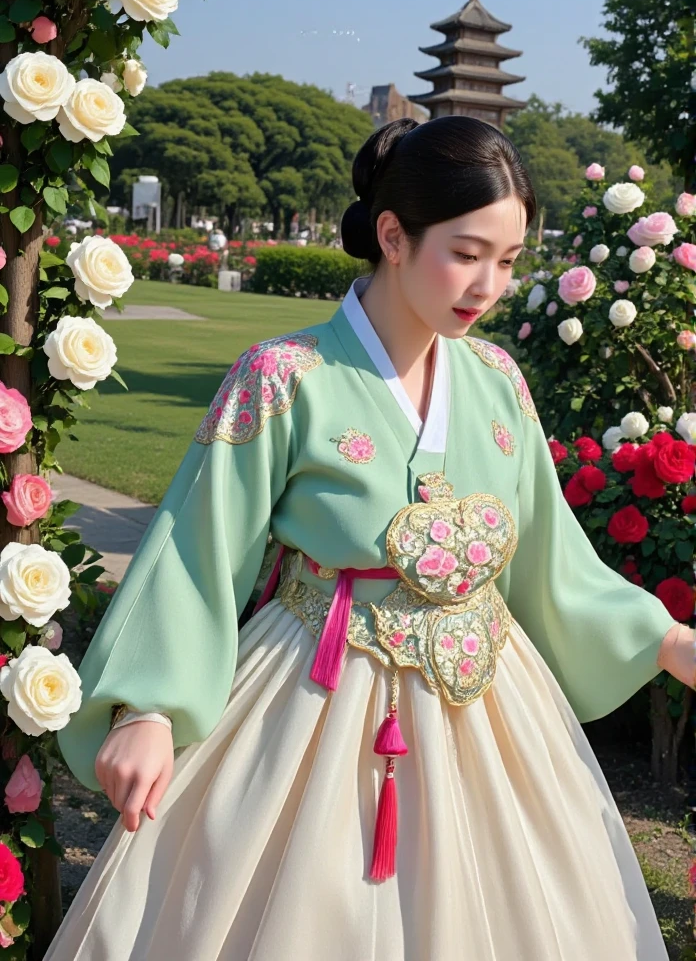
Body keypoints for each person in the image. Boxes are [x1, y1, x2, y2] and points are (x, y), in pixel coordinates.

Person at [46, 117, 694, 961]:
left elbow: (551, 558)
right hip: (319, 700)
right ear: (393, 235)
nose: (490, 285)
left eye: (508, 260)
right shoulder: (283, 378)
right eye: (467, 253)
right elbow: (198, 550)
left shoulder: (498, 381)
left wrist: (668, 639)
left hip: (492, 710)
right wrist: (151, 708)